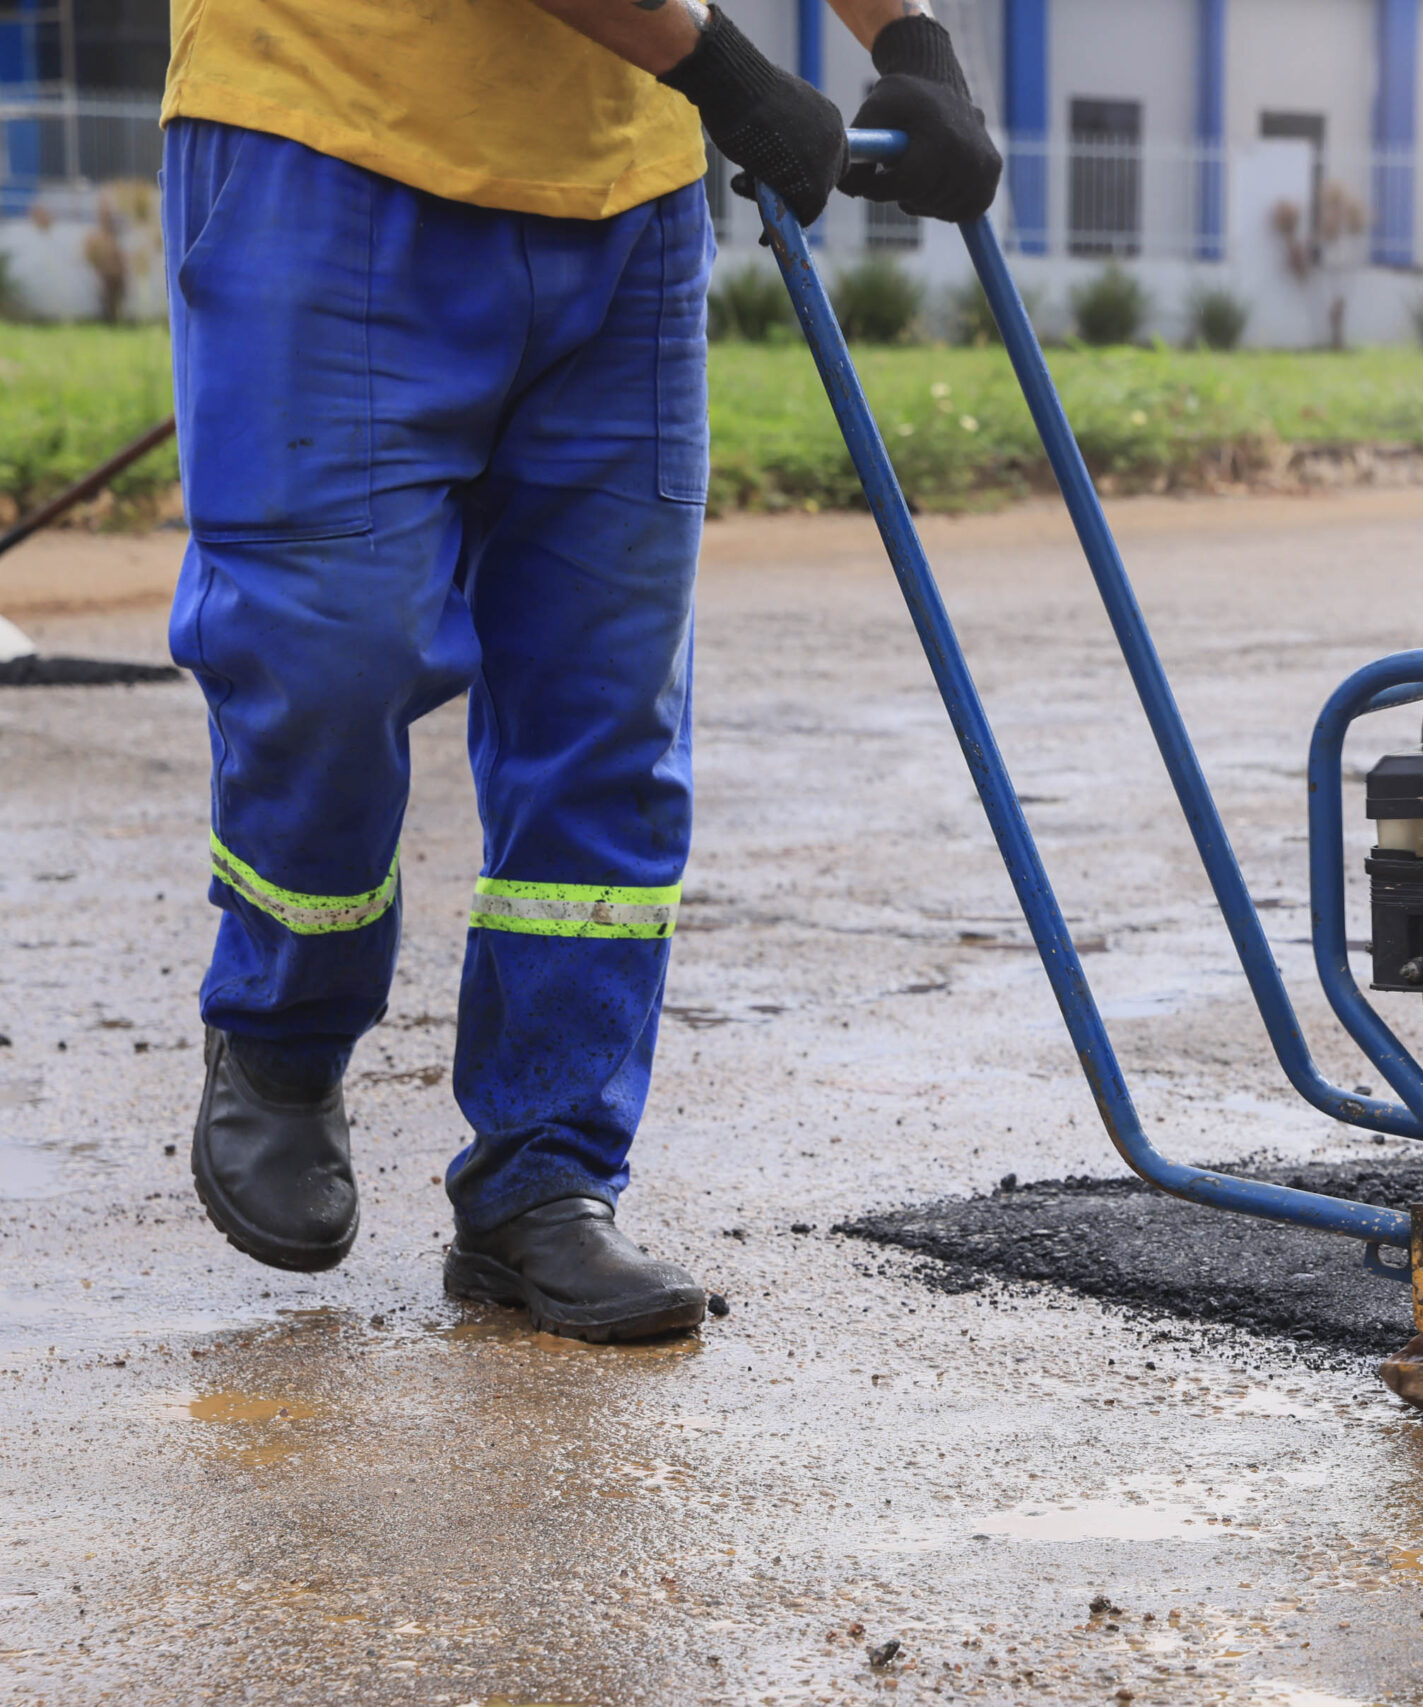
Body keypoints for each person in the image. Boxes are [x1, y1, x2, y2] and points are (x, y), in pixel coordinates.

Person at [162, 0, 999, 1340]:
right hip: (325, 130)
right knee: (328, 651)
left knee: (606, 701)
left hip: (623, 194)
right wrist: (723, 68)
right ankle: (282, 1026)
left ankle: (546, 1173)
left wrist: (908, 36)